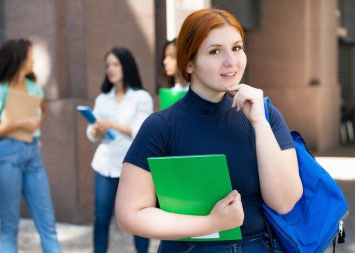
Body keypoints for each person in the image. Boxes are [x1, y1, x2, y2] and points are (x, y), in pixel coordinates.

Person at [115, 8, 303, 253]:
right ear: (189, 63)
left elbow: (284, 202)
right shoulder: (161, 126)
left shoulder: (264, 114)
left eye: (236, 48)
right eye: (215, 51)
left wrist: (259, 123)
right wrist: (210, 224)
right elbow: (130, 214)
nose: (231, 61)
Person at [0, 39, 61, 253]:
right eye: (30, 56)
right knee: (9, 226)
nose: (33, 60)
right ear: (19, 59)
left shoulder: (34, 87)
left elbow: (41, 111)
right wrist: (17, 124)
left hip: (33, 156)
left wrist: (34, 129)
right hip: (6, 157)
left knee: (48, 224)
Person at [86, 47, 152, 253]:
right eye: (107, 65)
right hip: (104, 165)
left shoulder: (141, 97)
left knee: (139, 219)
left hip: (132, 167)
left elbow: (141, 131)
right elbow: (90, 134)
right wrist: (96, 129)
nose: (110, 69)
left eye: (115, 64)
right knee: (101, 218)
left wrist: (111, 125)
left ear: (126, 66)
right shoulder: (102, 98)